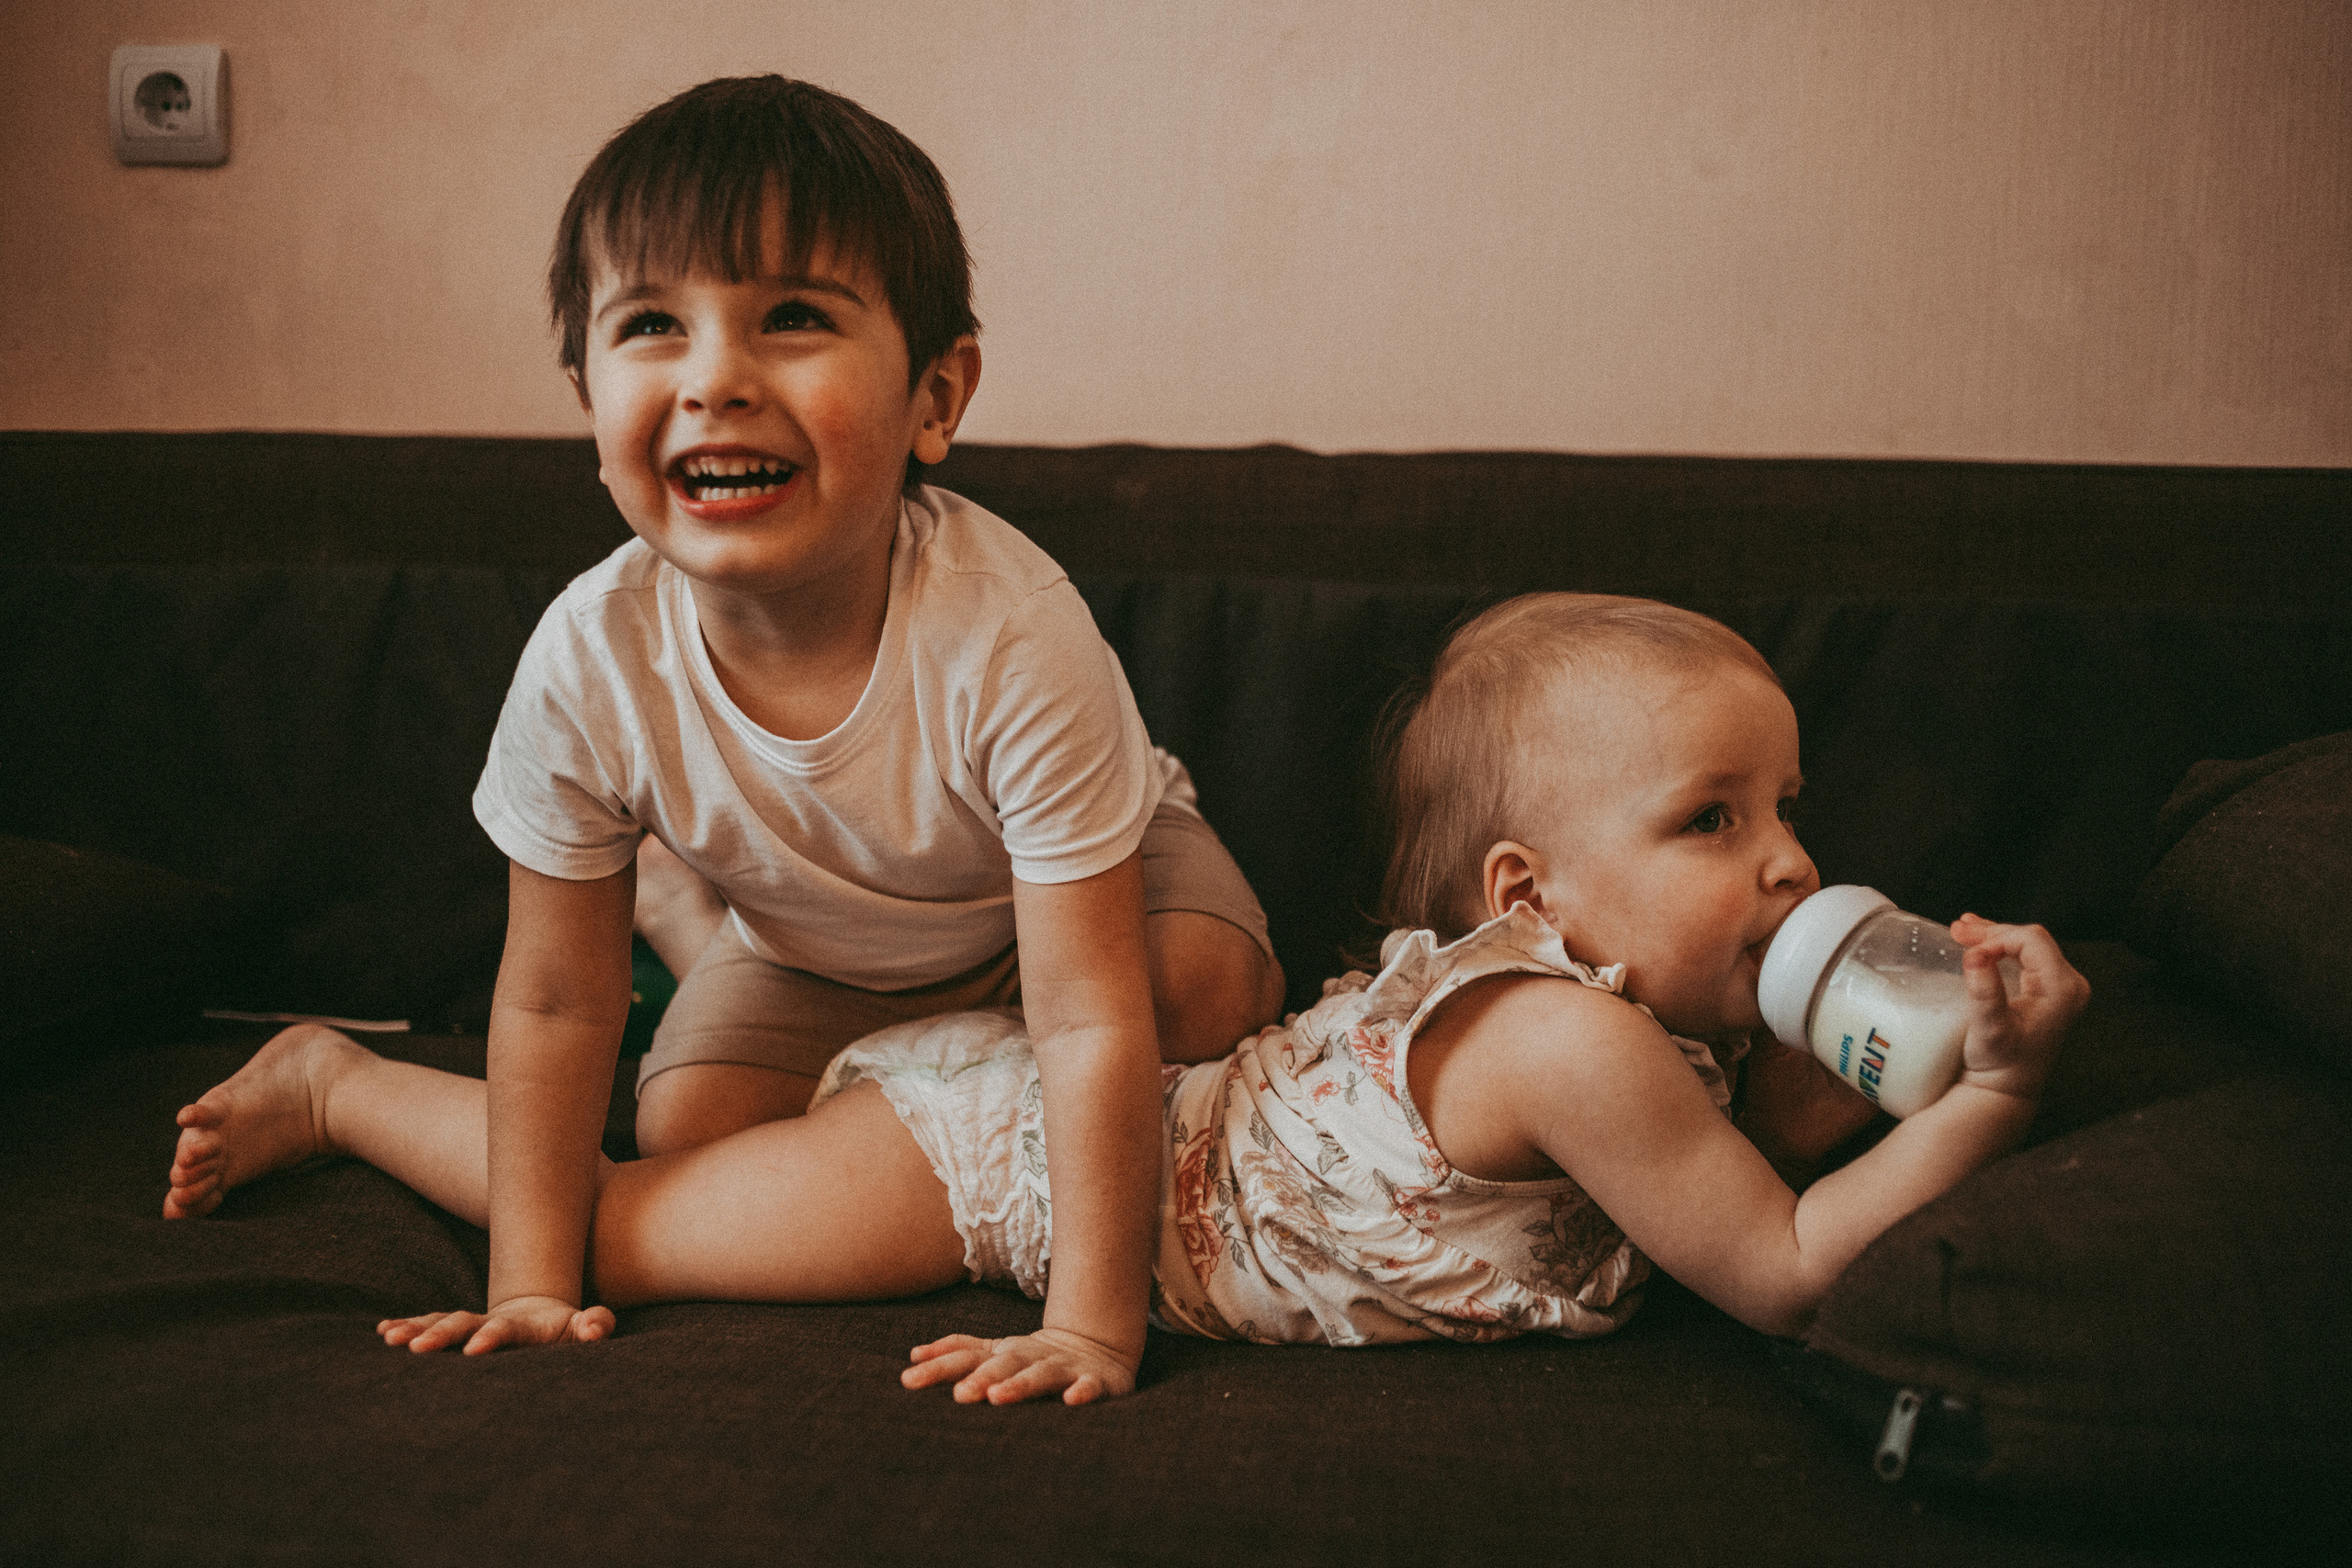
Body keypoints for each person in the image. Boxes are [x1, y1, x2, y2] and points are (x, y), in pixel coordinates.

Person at [167, 592, 2087, 1397]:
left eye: (1789, 808)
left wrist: (1926, 1019)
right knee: (625, 1220)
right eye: (1712, 819)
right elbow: (1784, 1260)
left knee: (705, 1112)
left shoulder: (1662, 1021)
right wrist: (1993, 1096)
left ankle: (711, 931)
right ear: (1528, 897)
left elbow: (1779, 1138)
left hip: (1084, 1103)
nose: (1785, 862)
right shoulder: (1569, 1038)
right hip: (1006, 1163)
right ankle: (340, 1082)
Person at [163, 76, 1283, 1407]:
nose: (715, 381)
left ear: (935, 396)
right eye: (652, 326)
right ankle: (339, 1085)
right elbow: (554, 1002)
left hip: (1083, 901)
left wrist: (1090, 1329)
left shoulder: (1011, 633)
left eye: (792, 318)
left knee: (1198, 991)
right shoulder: (589, 662)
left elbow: (1088, 1014)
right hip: (825, 951)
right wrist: (532, 1286)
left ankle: (710, 931)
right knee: (681, 1124)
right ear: (587, 398)